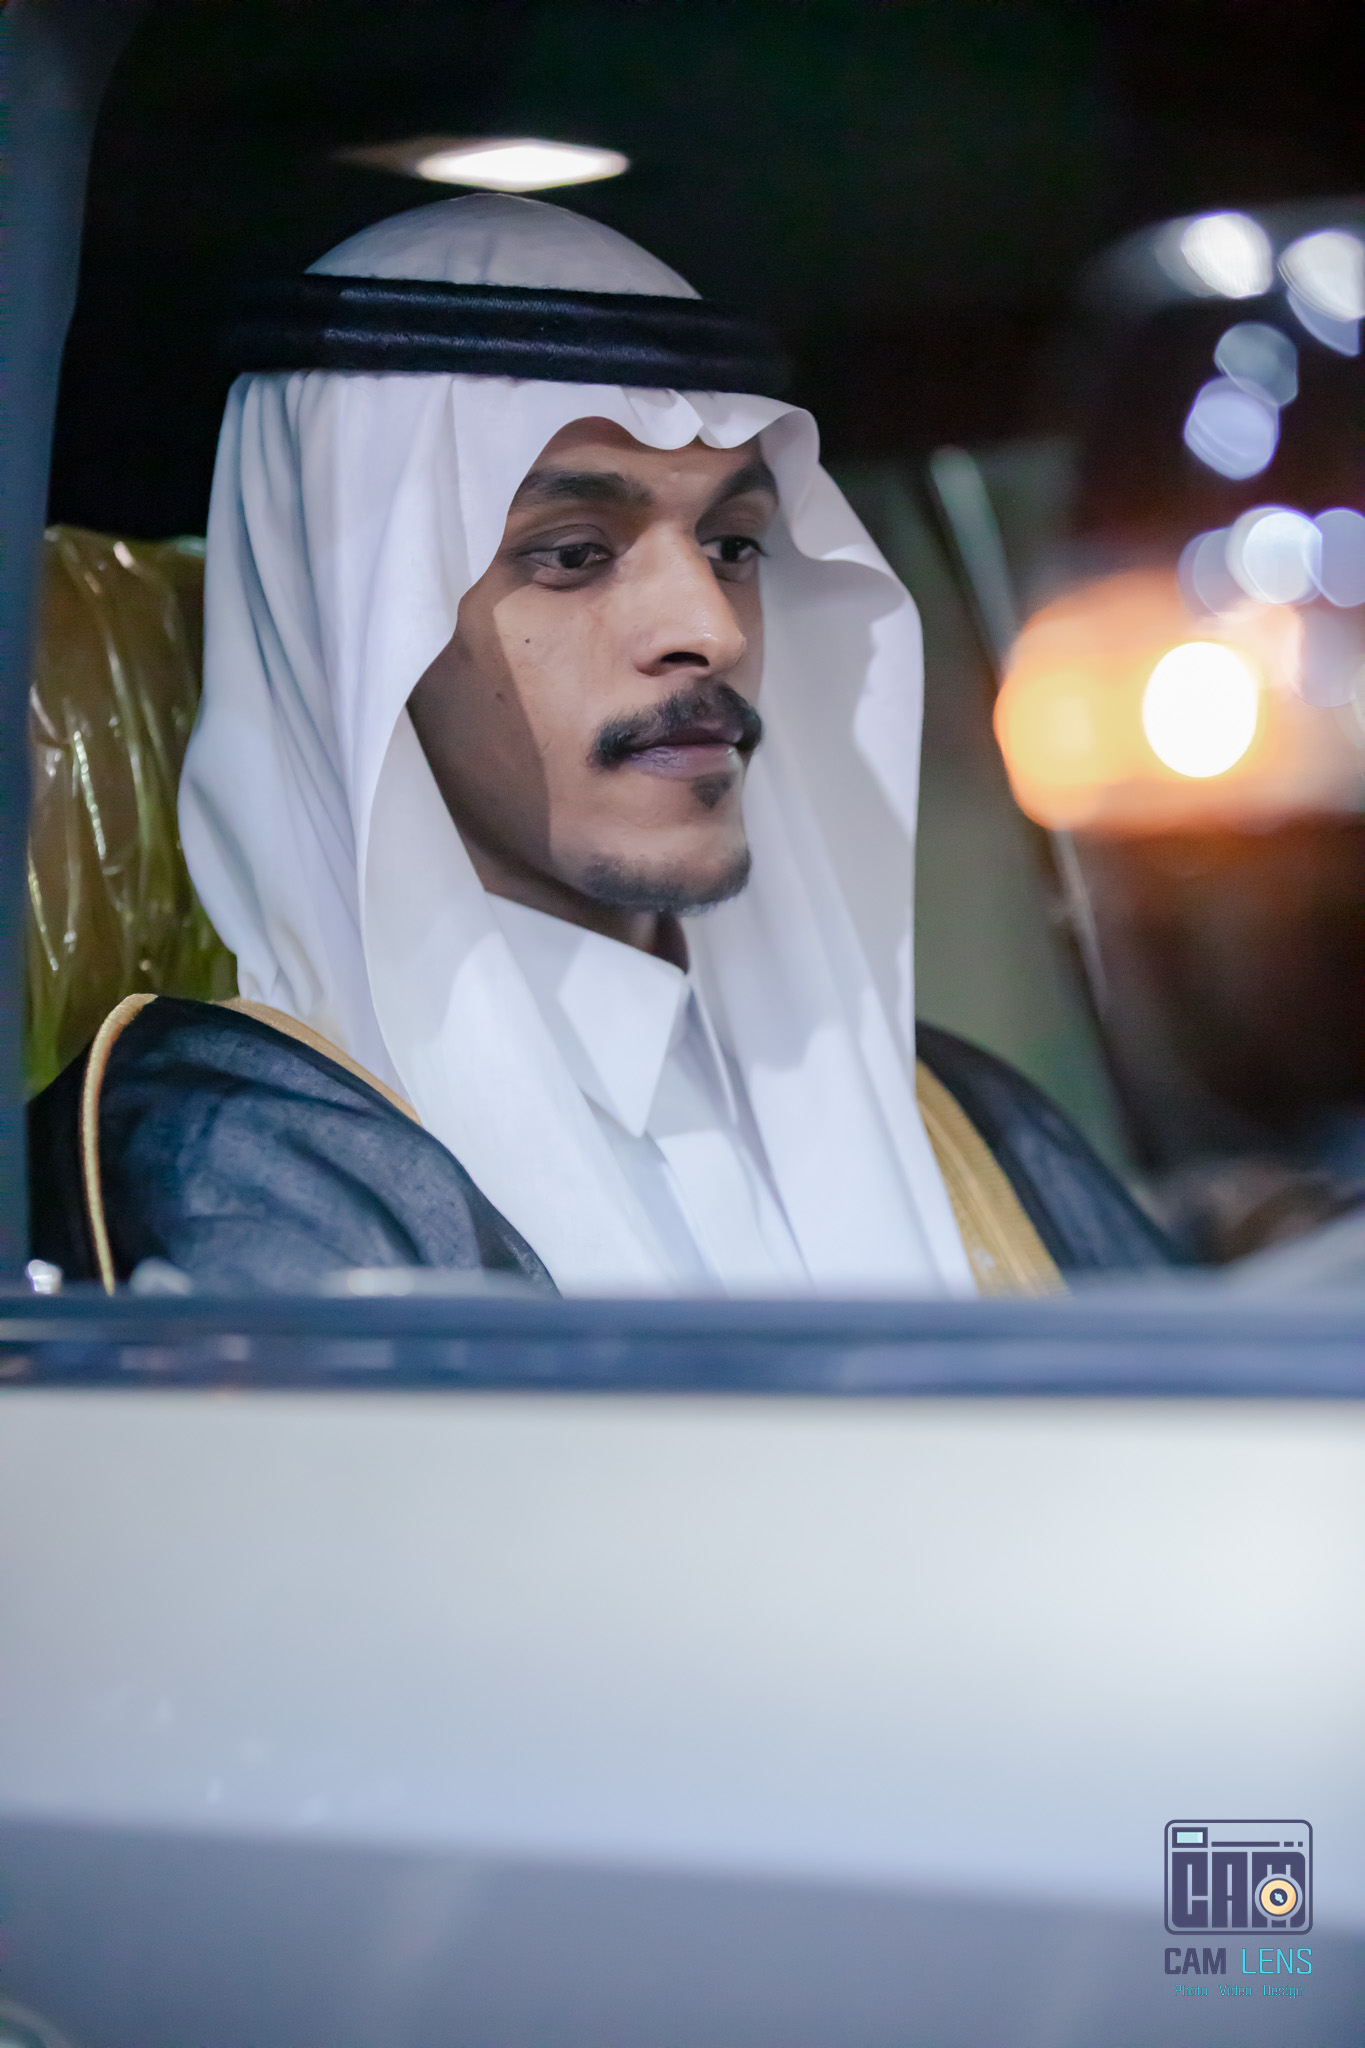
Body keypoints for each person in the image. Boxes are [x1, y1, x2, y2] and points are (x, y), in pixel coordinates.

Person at [28, 194, 1174, 1295]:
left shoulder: (966, 1125)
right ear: (361, 621)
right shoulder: (249, 1160)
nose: (713, 630)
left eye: (733, 545)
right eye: (573, 553)